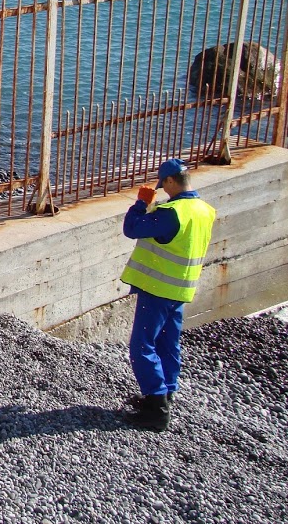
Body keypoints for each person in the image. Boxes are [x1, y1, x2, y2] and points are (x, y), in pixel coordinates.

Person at [120, 158, 216, 431]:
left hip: (158, 289)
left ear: (172, 181)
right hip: (182, 287)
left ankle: (156, 408)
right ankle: (167, 393)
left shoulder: (173, 212)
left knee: (142, 345)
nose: (163, 190)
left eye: (164, 186)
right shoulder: (204, 210)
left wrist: (141, 203)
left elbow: (132, 228)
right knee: (168, 343)